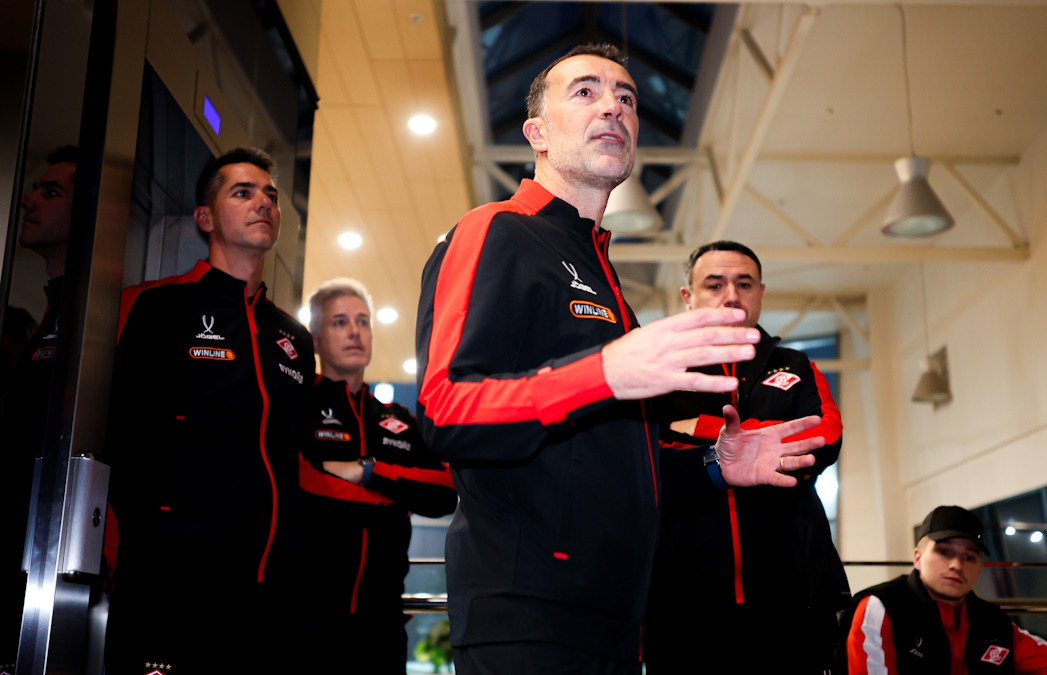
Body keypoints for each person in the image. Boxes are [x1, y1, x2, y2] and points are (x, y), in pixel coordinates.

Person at [416, 43, 829, 675]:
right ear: (537, 133)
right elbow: (446, 410)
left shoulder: (603, 277)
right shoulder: (496, 230)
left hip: (618, 617)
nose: (613, 106)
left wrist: (714, 467)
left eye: (627, 97)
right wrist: (605, 372)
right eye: (585, 91)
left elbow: (614, 458)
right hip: (528, 610)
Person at [103, 147, 315, 673]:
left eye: (271, 196)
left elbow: (298, 460)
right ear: (205, 217)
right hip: (169, 585)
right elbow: (118, 436)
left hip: (266, 592)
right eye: (243, 193)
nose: (264, 203)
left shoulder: (293, 336)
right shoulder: (155, 306)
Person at [647, 240, 848, 674]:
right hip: (683, 603)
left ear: (760, 292)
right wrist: (761, 439)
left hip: (792, 599)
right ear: (688, 297)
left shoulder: (797, 366)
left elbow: (825, 437)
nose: (731, 295)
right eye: (714, 284)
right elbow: (647, 458)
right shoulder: (660, 372)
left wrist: (700, 429)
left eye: (744, 284)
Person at [298, 278, 457, 672]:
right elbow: (298, 487)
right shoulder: (297, 406)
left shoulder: (397, 420)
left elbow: (446, 492)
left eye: (363, 321)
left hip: (381, 624)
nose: (355, 331)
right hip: (305, 620)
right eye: (339, 322)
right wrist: (398, 498)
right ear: (315, 340)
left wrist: (368, 472)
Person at [844, 505, 1047, 675]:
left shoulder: (992, 622)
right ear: (918, 558)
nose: (956, 565)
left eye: (969, 557)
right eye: (944, 552)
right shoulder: (881, 608)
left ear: (979, 569)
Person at [0, 145, 77, 670]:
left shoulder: (95, 317)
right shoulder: (53, 311)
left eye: (51, 193)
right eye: (34, 189)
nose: (29, 200)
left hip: (49, 555)